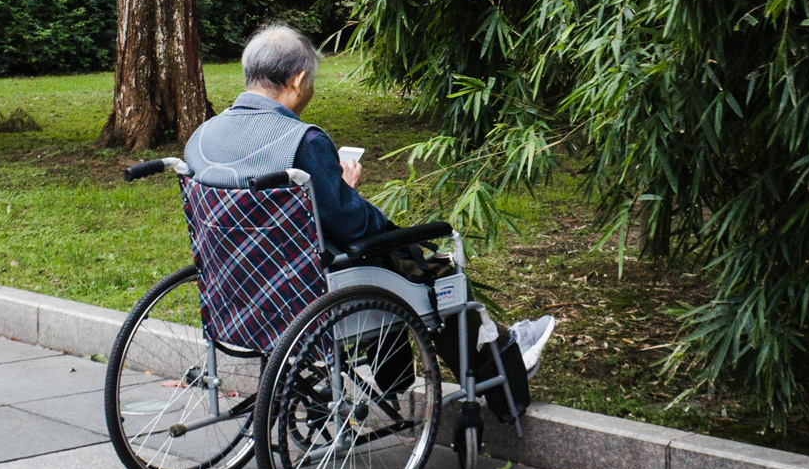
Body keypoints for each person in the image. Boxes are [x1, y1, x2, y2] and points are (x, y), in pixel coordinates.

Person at [184, 22, 555, 382]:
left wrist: (329, 191)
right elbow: (352, 224)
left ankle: (402, 370)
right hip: (306, 291)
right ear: (297, 80)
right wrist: (348, 191)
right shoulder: (302, 141)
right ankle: (503, 357)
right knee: (432, 267)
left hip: (234, 288)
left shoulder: (202, 137)